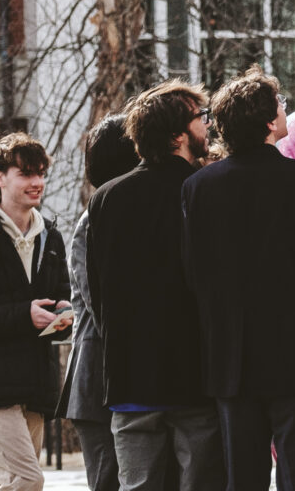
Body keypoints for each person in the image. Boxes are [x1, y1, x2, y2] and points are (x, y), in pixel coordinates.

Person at [181, 67, 295, 491]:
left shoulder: (198, 187)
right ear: (271, 123)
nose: (286, 110)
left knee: (244, 480)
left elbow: (195, 274)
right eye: (281, 106)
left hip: (233, 359)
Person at [86, 81, 224, 491]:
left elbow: (97, 293)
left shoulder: (106, 199)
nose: (208, 127)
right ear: (178, 135)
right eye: (201, 119)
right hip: (191, 374)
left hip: (130, 375)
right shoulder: (201, 190)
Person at [56, 115, 139, 491]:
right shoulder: (95, 220)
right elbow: (100, 305)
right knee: (109, 481)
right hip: (98, 381)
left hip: (115, 379)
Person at [0, 133, 71, 491]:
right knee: (29, 479)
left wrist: (63, 316)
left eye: (41, 173)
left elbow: (61, 296)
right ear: (0, 177)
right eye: (26, 173)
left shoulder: (51, 237)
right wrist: (24, 314)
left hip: (37, 385)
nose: (37, 182)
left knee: (12, 481)